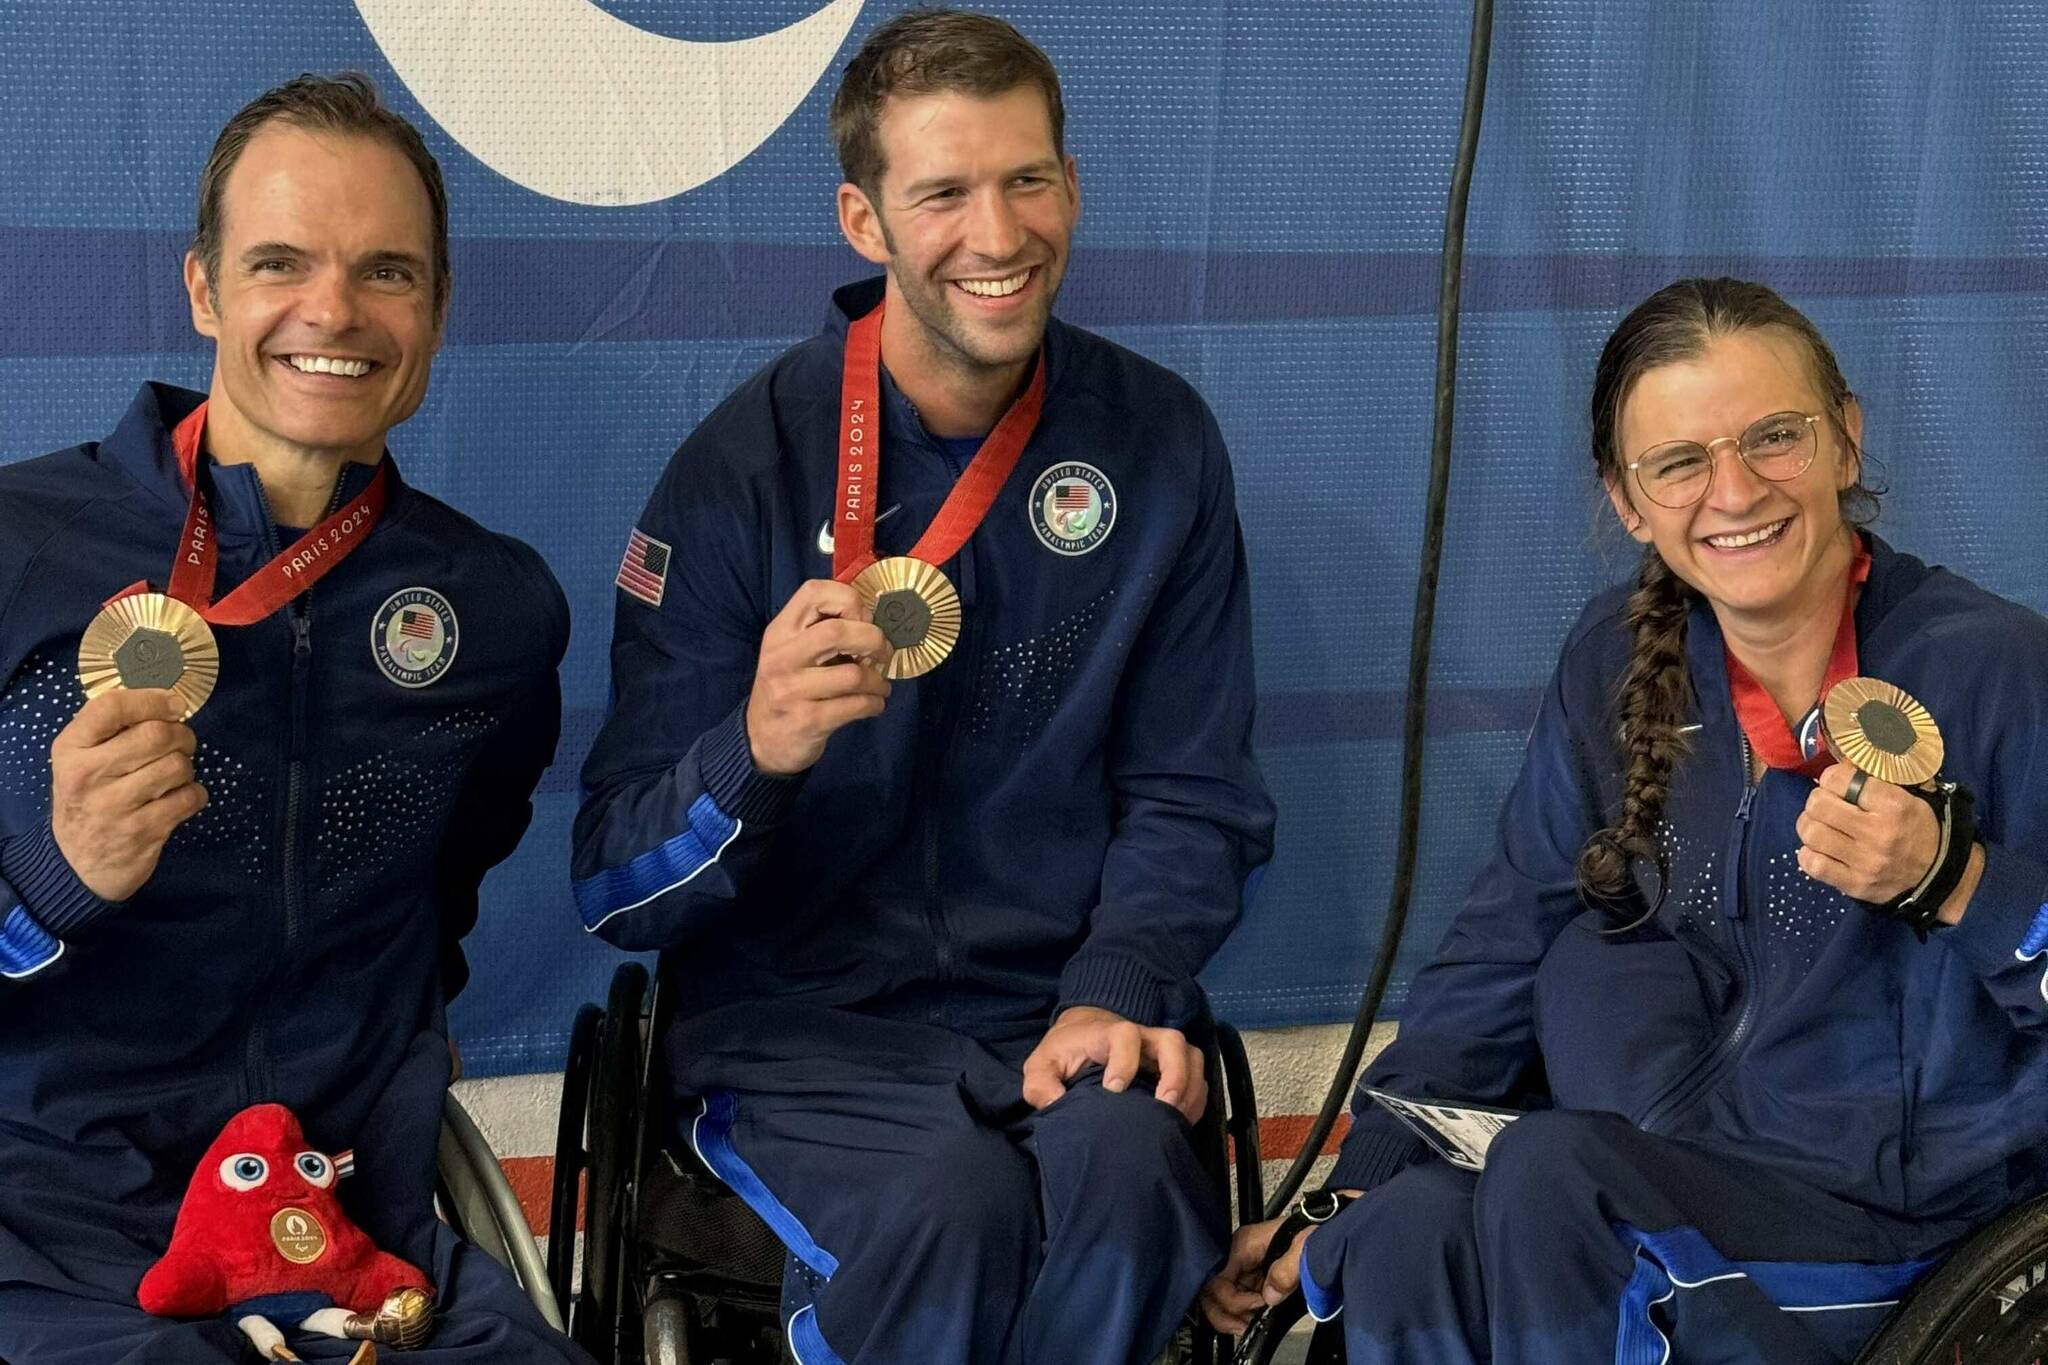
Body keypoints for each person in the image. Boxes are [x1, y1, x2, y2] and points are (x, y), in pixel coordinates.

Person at [572, 10, 1275, 1362]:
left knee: (1129, 1181)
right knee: (947, 1206)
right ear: (862, 217)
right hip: (800, 1040)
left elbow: (1193, 791)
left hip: (1059, 1005)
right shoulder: (740, 475)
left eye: (1027, 180)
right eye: (943, 192)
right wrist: (753, 751)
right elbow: (611, 883)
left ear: (1073, 186)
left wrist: (1118, 986)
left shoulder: (1161, 443)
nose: (999, 235)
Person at [1204, 277, 2048, 1364]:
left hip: (1898, 1229)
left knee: (1559, 1179)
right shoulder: (1614, 660)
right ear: (1625, 499)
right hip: (1665, 1183)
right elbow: (1503, 946)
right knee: (1409, 1230)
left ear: (1845, 436)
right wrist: (1359, 1177)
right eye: (1680, 462)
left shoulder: (1994, 672)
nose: (1732, 491)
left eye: (1772, 438)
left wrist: (1958, 882)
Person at [0, 74, 584, 1363]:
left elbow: (447, 896)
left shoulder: (495, 610)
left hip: (351, 1229)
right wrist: (44, 889)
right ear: (204, 288)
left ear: (433, 310)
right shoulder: (17, 549)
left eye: (386, 271)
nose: (333, 311)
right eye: (280, 263)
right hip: (50, 1229)